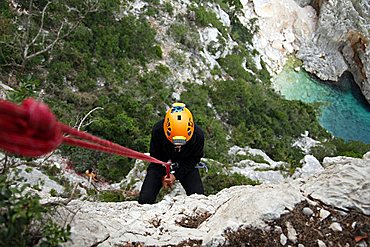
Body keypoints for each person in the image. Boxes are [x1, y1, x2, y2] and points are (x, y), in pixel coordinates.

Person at [138, 103, 205, 204]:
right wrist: (163, 174)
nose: (178, 146)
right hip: (160, 162)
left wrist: (176, 175)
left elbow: (194, 159)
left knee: (198, 198)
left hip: (185, 163)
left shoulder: (198, 135)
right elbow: (155, 155)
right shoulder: (158, 130)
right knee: (145, 199)